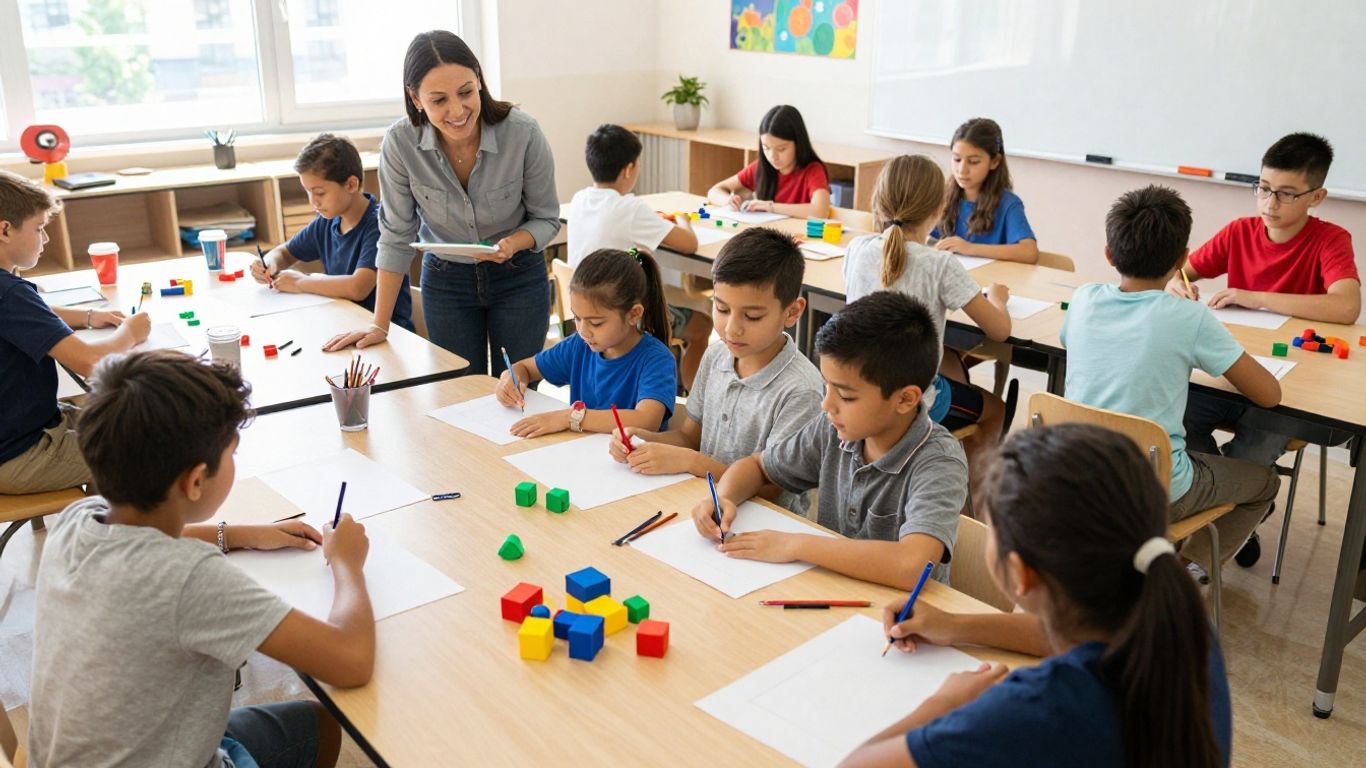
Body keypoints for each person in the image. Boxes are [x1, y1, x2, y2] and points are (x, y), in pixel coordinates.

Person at [28, 350, 376, 768]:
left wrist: (243, 534)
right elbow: (351, 662)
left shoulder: (76, 519)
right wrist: (346, 564)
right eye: (231, 454)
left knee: (313, 725)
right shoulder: (188, 578)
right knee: (322, 725)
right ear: (195, 480)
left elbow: (144, 540)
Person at [841, 424, 1232, 768]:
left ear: (1021, 573)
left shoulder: (1038, 708)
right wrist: (953, 625)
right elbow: (1067, 634)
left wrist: (944, 704)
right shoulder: (1179, 624)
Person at [1061, 185, 1281, 574]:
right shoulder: (1189, 318)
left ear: (1109, 254)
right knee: (1265, 483)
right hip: (1156, 489)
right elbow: (1268, 394)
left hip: (1078, 475)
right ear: (1182, 259)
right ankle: (1187, 571)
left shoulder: (1083, 299)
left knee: (1192, 438)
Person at [323, 30, 560, 378]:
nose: (457, 110)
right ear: (415, 98)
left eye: (465, 92)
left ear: (478, 78)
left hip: (519, 277)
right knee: (459, 391)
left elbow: (547, 219)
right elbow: (395, 236)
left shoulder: (523, 133)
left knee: (518, 390)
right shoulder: (400, 144)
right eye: (438, 100)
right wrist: (380, 325)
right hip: (447, 283)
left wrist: (514, 243)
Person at [692, 292, 965, 590]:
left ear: (905, 399)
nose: (827, 405)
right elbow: (757, 467)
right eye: (827, 387)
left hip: (900, 615)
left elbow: (912, 566)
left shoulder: (939, 461)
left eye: (846, 395)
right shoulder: (832, 428)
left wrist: (796, 545)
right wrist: (725, 498)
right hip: (832, 590)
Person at [608, 228, 822, 514]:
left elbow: (772, 490)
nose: (732, 328)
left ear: (792, 312)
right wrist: (643, 440)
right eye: (721, 309)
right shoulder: (717, 354)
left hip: (763, 521)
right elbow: (689, 438)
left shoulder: (801, 390)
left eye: (752, 316)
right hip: (703, 504)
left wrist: (690, 462)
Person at [843, 154, 1011, 462]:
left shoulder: (857, 250)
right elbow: (999, 331)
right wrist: (997, 298)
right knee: (995, 410)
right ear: (940, 209)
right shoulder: (940, 264)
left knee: (949, 361)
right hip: (914, 403)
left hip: (857, 390)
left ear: (878, 202)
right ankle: (968, 502)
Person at [0, 169, 150, 494]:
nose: (46, 239)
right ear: (5, 230)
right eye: (39, 228)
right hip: (17, 454)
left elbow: (25, 316)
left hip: (14, 430)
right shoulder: (10, 294)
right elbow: (92, 362)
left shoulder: (9, 295)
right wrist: (130, 332)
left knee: (114, 411)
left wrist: (89, 316)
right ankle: (101, 533)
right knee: (141, 450)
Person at [568, 123, 710, 388]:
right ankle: (694, 400)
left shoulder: (580, 199)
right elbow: (689, 244)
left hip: (582, 308)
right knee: (702, 325)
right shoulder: (630, 208)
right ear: (629, 169)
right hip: (618, 312)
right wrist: (682, 219)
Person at [496, 248, 678, 436]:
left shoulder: (656, 359)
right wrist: (511, 378)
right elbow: (525, 368)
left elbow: (647, 421)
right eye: (577, 318)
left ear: (633, 314)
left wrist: (570, 417)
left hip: (631, 461)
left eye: (596, 323)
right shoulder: (579, 346)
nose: (582, 331)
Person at [251, 133, 414, 331]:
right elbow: (285, 252)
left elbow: (358, 287)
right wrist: (269, 263)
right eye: (308, 191)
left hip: (385, 332)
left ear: (351, 184)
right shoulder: (326, 223)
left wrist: (302, 282)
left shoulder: (379, 225)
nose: (313, 201)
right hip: (344, 323)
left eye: (320, 193)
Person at [932, 118, 1039, 264]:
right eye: (957, 159)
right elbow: (924, 236)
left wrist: (970, 248)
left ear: (994, 161)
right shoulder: (942, 196)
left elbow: (1029, 252)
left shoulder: (1008, 204)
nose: (962, 170)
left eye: (973, 161)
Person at [707, 105, 831, 219]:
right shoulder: (761, 167)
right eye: (766, 148)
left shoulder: (813, 170)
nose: (772, 156)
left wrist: (769, 207)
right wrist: (728, 200)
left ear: (798, 144)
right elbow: (714, 191)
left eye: (781, 149)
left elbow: (820, 211)